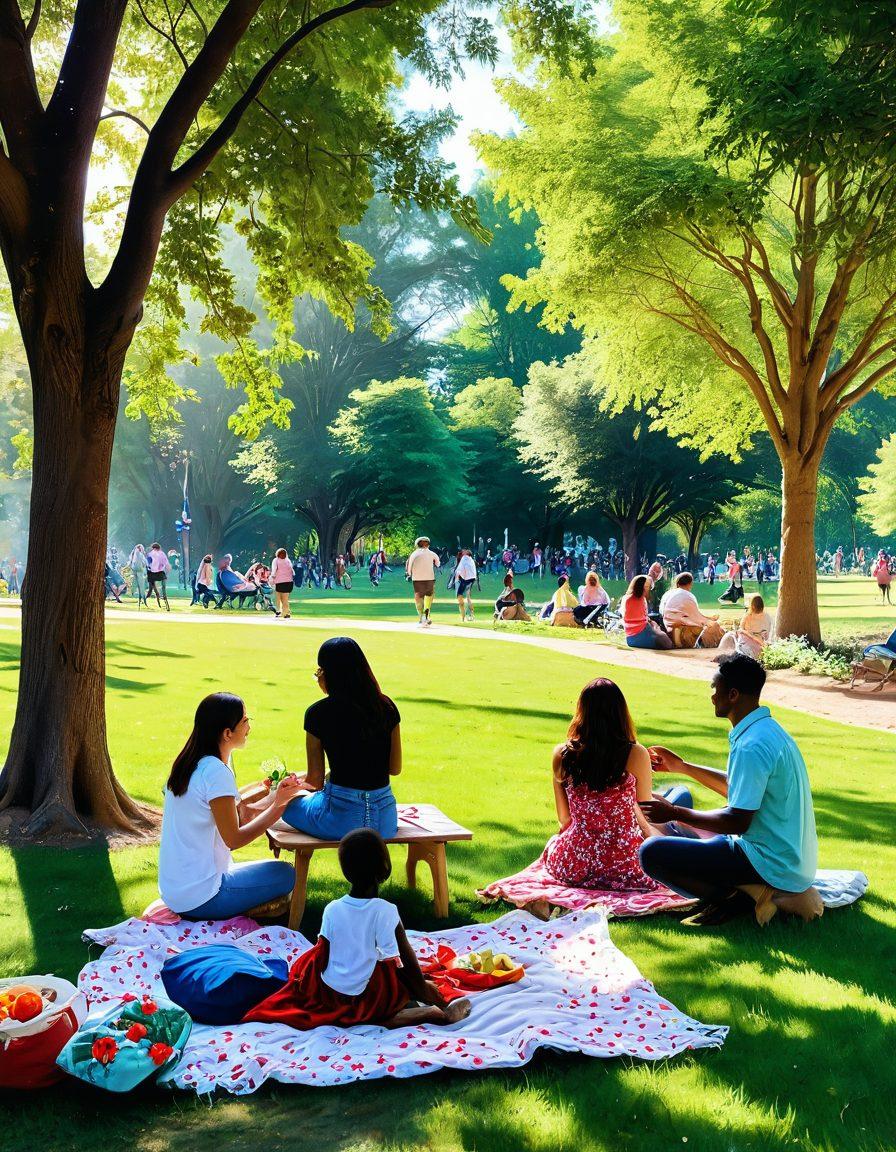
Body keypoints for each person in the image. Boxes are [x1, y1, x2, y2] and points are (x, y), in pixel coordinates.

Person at [638, 654, 821, 927]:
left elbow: (737, 820)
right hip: (791, 862)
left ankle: (736, 899)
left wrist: (675, 812)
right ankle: (743, 892)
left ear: (733, 694)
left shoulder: (752, 745)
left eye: (716, 689)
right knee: (687, 838)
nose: (713, 697)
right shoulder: (766, 730)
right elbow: (741, 788)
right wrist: (683, 766)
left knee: (651, 852)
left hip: (770, 863)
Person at [243, 829, 471, 1029]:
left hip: (332, 994)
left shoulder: (332, 908)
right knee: (412, 983)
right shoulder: (385, 910)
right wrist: (421, 989)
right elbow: (402, 962)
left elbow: (323, 954)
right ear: (385, 868)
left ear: (346, 871)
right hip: (365, 997)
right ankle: (430, 1013)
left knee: (383, 979)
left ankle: (387, 1012)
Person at [158, 692, 301, 918]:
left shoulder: (188, 763)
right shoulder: (215, 772)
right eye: (245, 721)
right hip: (202, 897)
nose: (249, 728)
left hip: (176, 891)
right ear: (227, 733)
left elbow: (240, 814)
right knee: (286, 874)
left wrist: (274, 795)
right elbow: (233, 839)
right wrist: (278, 807)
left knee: (266, 870)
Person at [540, 679, 687, 897]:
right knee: (681, 795)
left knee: (554, 843)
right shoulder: (635, 754)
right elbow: (645, 806)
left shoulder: (562, 755)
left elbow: (565, 819)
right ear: (620, 713)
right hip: (625, 866)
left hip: (574, 865)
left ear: (581, 711)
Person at [282, 637, 402, 840]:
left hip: (341, 820)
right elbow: (394, 768)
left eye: (320, 671)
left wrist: (285, 787)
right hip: (386, 820)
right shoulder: (386, 707)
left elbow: (315, 781)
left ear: (329, 673)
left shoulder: (317, 713)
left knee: (282, 804)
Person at [660, 572, 722, 648]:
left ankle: (677, 631)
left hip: (668, 625)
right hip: (681, 630)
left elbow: (662, 612)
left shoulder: (668, 593)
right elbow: (696, 618)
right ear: (690, 584)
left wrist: (708, 618)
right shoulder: (688, 595)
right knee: (713, 626)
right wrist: (709, 620)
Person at [621, 575, 673, 649]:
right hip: (642, 633)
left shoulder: (626, 598)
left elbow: (626, 616)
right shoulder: (642, 599)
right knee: (666, 642)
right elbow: (643, 618)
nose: (648, 589)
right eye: (647, 587)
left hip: (630, 639)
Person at [717, 594, 773, 659]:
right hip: (760, 645)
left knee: (733, 634)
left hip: (747, 642)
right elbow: (767, 637)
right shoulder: (767, 617)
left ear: (752, 606)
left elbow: (741, 628)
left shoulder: (748, 616)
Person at [405, 535, 440, 627]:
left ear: (417, 544)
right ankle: (426, 614)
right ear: (428, 545)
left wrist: (409, 574)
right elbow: (438, 563)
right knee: (429, 596)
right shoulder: (432, 554)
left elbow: (409, 566)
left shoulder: (414, 554)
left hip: (417, 579)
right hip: (429, 578)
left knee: (418, 597)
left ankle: (421, 618)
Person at [453, 548, 477, 621]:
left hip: (463, 580)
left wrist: (456, 579)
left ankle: (463, 617)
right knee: (468, 597)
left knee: (460, 598)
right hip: (470, 580)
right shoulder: (471, 560)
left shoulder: (464, 558)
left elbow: (459, 570)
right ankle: (471, 615)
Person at [270, 547, 294, 619]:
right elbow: (292, 571)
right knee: (285, 599)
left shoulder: (276, 560)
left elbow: (274, 571)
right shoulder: (288, 561)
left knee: (278, 598)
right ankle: (286, 612)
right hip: (289, 582)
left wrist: (272, 577)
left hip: (279, 582)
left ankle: (279, 611)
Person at [147, 542, 171, 609]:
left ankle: (159, 602)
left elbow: (148, 564)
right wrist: (167, 573)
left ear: (153, 548)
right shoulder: (162, 554)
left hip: (151, 573)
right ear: (159, 548)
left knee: (155, 589)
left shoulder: (150, 554)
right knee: (163, 589)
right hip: (160, 572)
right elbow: (167, 565)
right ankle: (166, 602)